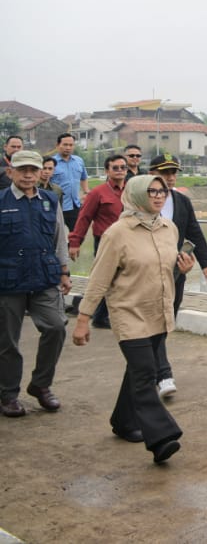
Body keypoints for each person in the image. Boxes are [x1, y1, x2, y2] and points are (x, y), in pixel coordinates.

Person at [72, 175, 192, 464]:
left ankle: (122, 420)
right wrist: (83, 318)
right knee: (145, 374)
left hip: (158, 312)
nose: (158, 196)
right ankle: (161, 436)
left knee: (138, 371)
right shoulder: (117, 233)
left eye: (162, 191)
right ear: (137, 194)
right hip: (129, 314)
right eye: (151, 191)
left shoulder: (169, 228)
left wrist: (183, 269)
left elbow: (164, 271)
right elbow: (99, 279)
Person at [0, 150, 71, 418]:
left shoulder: (50, 200)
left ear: (41, 171)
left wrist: (64, 272)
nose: (28, 174)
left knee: (55, 327)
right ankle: (8, 394)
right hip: (8, 280)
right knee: (7, 341)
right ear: (10, 172)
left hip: (44, 276)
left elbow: (59, 239)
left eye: (33, 169)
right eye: (22, 170)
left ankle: (41, 385)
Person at [148, 153, 207, 399]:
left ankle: (154, 367)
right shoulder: (140, 201)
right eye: (165, 172)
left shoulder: (181, 201)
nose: (170, 177)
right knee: (153, 322)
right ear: (151, 173)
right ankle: (163, 374)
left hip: (175, 272)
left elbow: (194, 232)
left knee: (165, 322)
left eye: (173, 172)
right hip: (146, 274)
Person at [69, 154, 129, 329]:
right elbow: (84, 218)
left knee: (124, 279)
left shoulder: (131, 191)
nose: (120, 171)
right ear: (107, 171)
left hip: (128, 242)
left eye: (123, 167)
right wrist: (75, 242)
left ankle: (106, 315)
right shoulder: (98, 193)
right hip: (104, 242)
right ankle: (100, 316)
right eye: (115, 168)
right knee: (105, 279)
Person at [50, 133, 88, 231]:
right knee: (55, 235)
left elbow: (83, 177)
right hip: (57, 206)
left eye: (71, 145)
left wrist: (86, 191)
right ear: (58, 145)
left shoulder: (79, 161)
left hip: (75, 205)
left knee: (78, 234)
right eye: (65, 145)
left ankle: (69, 247)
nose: (68, 147)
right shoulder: (51, 163)